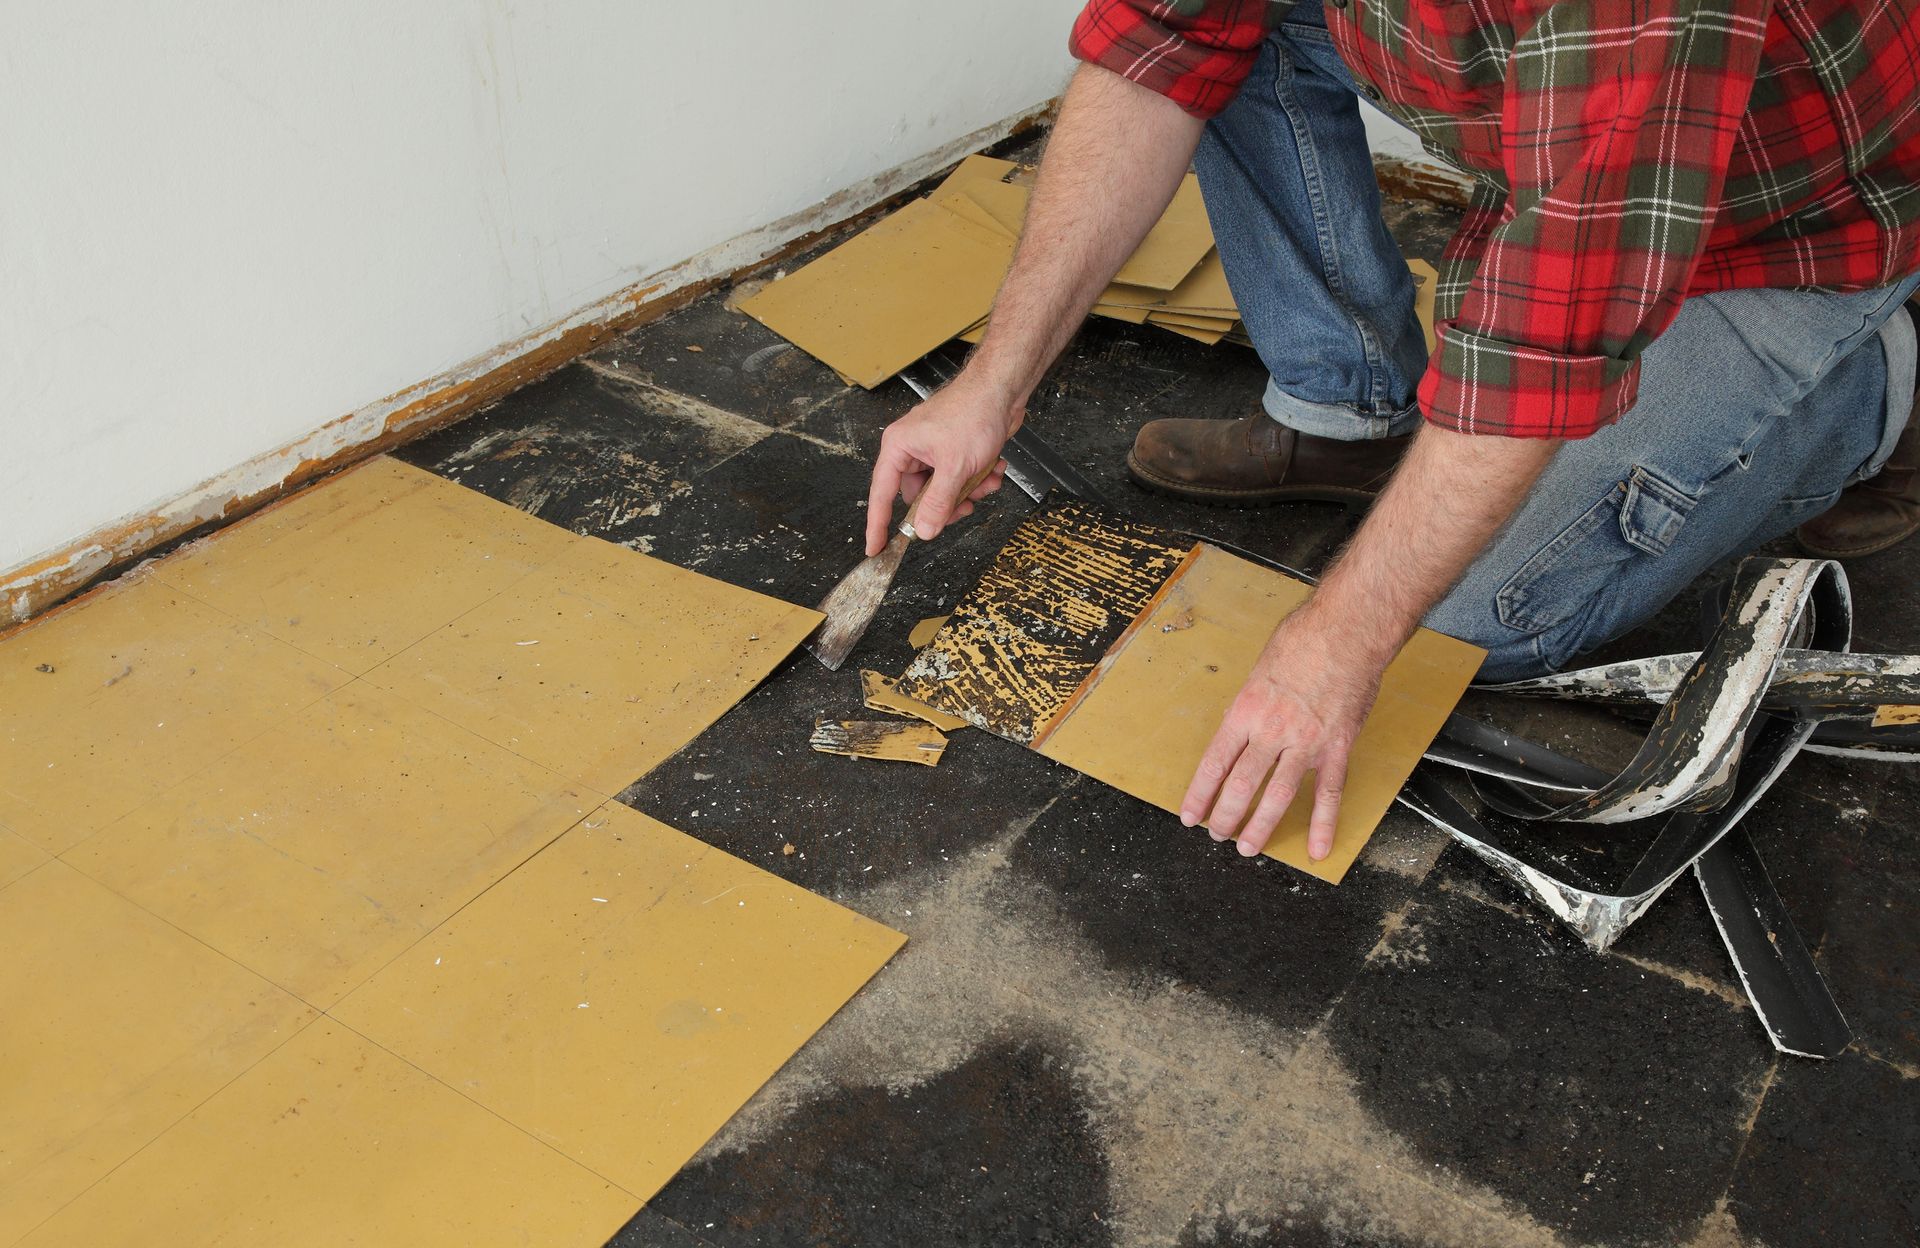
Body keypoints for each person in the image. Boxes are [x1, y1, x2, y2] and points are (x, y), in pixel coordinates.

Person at [862, 0, 1920, 865]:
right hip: (1583, 161)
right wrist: (992, 384)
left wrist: (1337, 645)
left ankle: (1881, 385)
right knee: (1251, 27)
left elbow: (1540, 335)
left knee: (1471, 628)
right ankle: (1348, 407)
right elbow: (1163, 42)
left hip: (1797, 230)